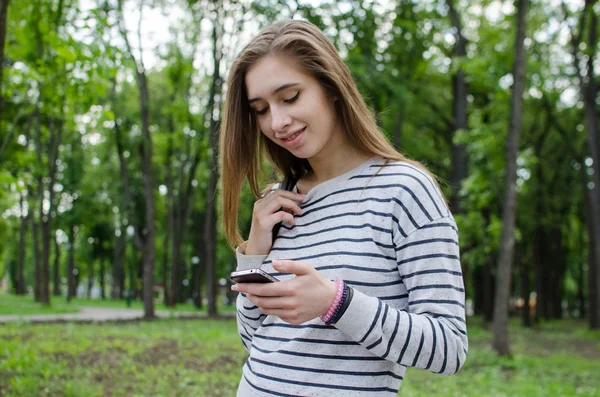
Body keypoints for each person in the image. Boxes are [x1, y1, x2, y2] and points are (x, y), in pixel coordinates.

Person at [219, 19, 468, 397]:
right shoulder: (277, 201)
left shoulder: (405, 190)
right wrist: (253, 255)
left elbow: (448, 349)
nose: (278, 122)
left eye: (290, 97)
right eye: (260, 109)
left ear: (331, 87)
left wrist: (335, 302)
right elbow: (256, 338)